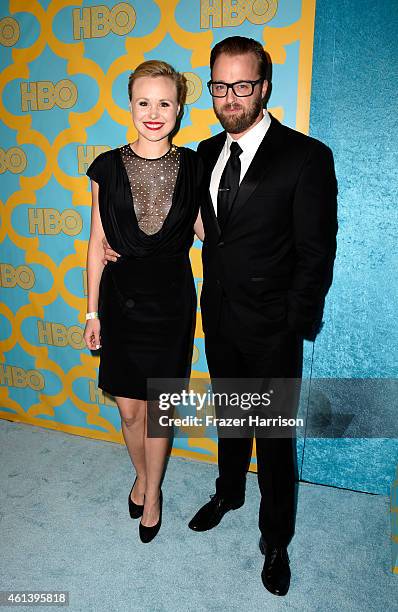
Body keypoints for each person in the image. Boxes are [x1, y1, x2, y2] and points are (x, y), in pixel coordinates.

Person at [103, 36, 338, 595]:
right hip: (217, 315)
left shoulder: (306, 156)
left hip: (274, 325)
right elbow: (179, 222)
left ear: (264, 87)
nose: (230, 96)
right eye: (220, 85)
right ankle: (228, 491)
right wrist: (120, 246)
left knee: (273, 435)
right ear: (209, 88)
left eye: (242, 84)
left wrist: (295, 321)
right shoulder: (202, 154)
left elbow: (316, 251)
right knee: (232, 418)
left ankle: (276, 537)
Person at [84, 60, 204, 544]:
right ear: (130, 104)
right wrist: (91, 311)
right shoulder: (106, 166)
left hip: (172, 301)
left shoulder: (196, 164)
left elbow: (203, 230)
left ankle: (152, 492)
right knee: (130, 411)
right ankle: (140, 473)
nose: (153, 112)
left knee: (160, 410)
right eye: (143, 102)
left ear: (178, 109)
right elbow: (96, 242)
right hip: (120, 300)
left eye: (164, 103)